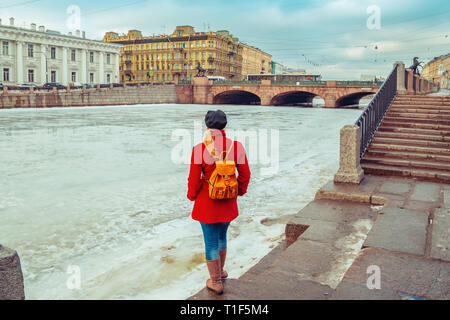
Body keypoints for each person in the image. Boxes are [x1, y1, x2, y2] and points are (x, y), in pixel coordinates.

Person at [187, 110, 251, 295]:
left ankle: (215, 281)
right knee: (222, 237)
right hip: (228, 200)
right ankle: (221, 272)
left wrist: (192, 196)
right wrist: (238, 191)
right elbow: (245, 175)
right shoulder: (236, 147)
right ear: (224, 126)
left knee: (210, 242)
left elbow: (194, 179)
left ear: (207, 126)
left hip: (207, 202)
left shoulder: (199, 149)